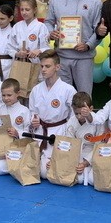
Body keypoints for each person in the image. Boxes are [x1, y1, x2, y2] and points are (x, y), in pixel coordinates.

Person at [44, 0, 102, 94]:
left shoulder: (95, 1)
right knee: (62, 96)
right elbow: (48, 22)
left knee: (84, 96)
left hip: (84, 57)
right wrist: (51, 33)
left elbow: (98, 30)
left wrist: (88, 45)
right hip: (61, 56)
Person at [28, 49, 76, 178]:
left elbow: (73, 117)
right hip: (39, 132)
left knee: (44, 173)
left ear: (57, 67)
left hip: (59, 132)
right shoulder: (36, 89)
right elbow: (32, 112)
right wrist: (33, 121)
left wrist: (67, 136)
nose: (43, 70)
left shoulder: (68, 90)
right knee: (30, 169)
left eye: (47, 66)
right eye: (42, 66)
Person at [60, 91, 106, 186]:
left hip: (92, 154)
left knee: (89, 179)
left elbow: (99, 145)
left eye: (82, 113)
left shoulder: (98, 122)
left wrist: (86, 163)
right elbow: (70, 143)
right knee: (74, 176)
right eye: (76, 113)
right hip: (77, 153)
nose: (79, 116)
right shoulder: (72, 121)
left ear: (91, 109)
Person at [0, 78, 32, 176]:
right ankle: (9, 162)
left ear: (18, 93)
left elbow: (28, 133)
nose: (6, 98)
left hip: (16, 147)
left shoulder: (24, 111)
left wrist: (17, 134)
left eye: (9, 95)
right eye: (3, 95)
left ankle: (18, 162)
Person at [8, 0, 49, 65]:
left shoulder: (41, 27)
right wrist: (18, 53)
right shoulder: (16, 26)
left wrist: (38, 51)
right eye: (22, 9)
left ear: (35, 10)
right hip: (19, 63)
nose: (24, 12)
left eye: (27, 10)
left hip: (35, 63)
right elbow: (10, 48)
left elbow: (46, 48)